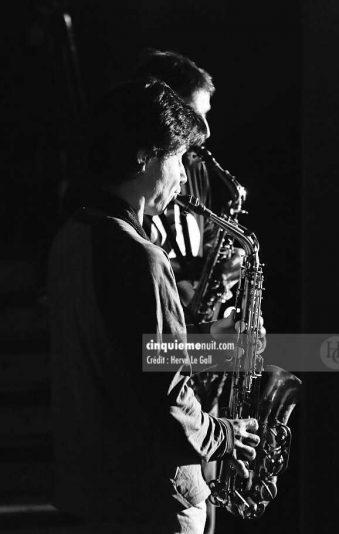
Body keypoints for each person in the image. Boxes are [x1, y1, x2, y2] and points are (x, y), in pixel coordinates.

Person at [48, 78, 260, 534]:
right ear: (144, 155)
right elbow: (165, 394)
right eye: (179, 157)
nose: (184, 175)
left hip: (94, 491)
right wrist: (224, 433)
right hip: (153, 498)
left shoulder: (71, 235)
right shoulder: (138, 255)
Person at [134, 49, 243, 534]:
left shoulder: (195, 173)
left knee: (206, 506)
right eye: (197, 116)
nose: (207, 133)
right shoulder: (142, 192)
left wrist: (226, 285)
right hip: (164, 365)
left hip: (198, 360)